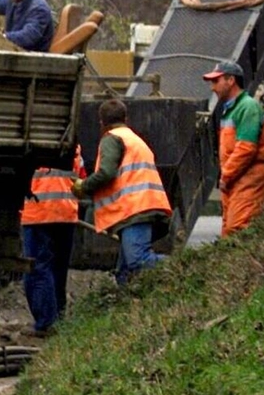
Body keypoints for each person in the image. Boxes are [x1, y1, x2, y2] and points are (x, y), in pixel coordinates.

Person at [72, 99, 172, 285]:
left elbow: (106, 172)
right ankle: (126, 305)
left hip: (136, 209)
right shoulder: (133, 138)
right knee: (124, 273)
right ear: (126, 118)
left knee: (138, 261)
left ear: (101, 123)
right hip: (148, 206)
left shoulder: (112, 138)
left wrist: (83, 186)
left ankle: (183, 267)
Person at [21, 145, 85, 336]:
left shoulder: (31, 143)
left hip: (39, 213)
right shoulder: (74, 145)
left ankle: (46, 323)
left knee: (38, 268)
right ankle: (59, 320)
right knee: (58, 269)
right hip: (66, 213)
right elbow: (82, 178)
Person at [203, 60, 264, 237]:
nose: (212, 87)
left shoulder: (247, 107)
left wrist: (226, 174)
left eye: (216, 81)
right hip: (238, 177)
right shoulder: (232, 109)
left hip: (249, 175)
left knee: (238, 230)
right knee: (230, 231)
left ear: (230, 80)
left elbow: (246, 148)